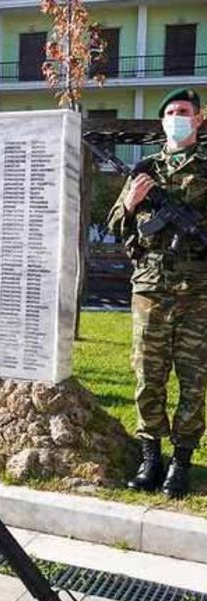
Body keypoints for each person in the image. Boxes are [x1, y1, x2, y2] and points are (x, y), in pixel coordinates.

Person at [108, 87, 207, 498]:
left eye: (183, 111)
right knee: (148, 377)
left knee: (194, 381)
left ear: (199, 119)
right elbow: (116, 226)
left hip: (200, 292)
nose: (176, 117)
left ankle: (180, 463)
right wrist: (130, 204)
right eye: (169, 112)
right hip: (150, 289)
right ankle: (151, 457)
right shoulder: (145, 170)